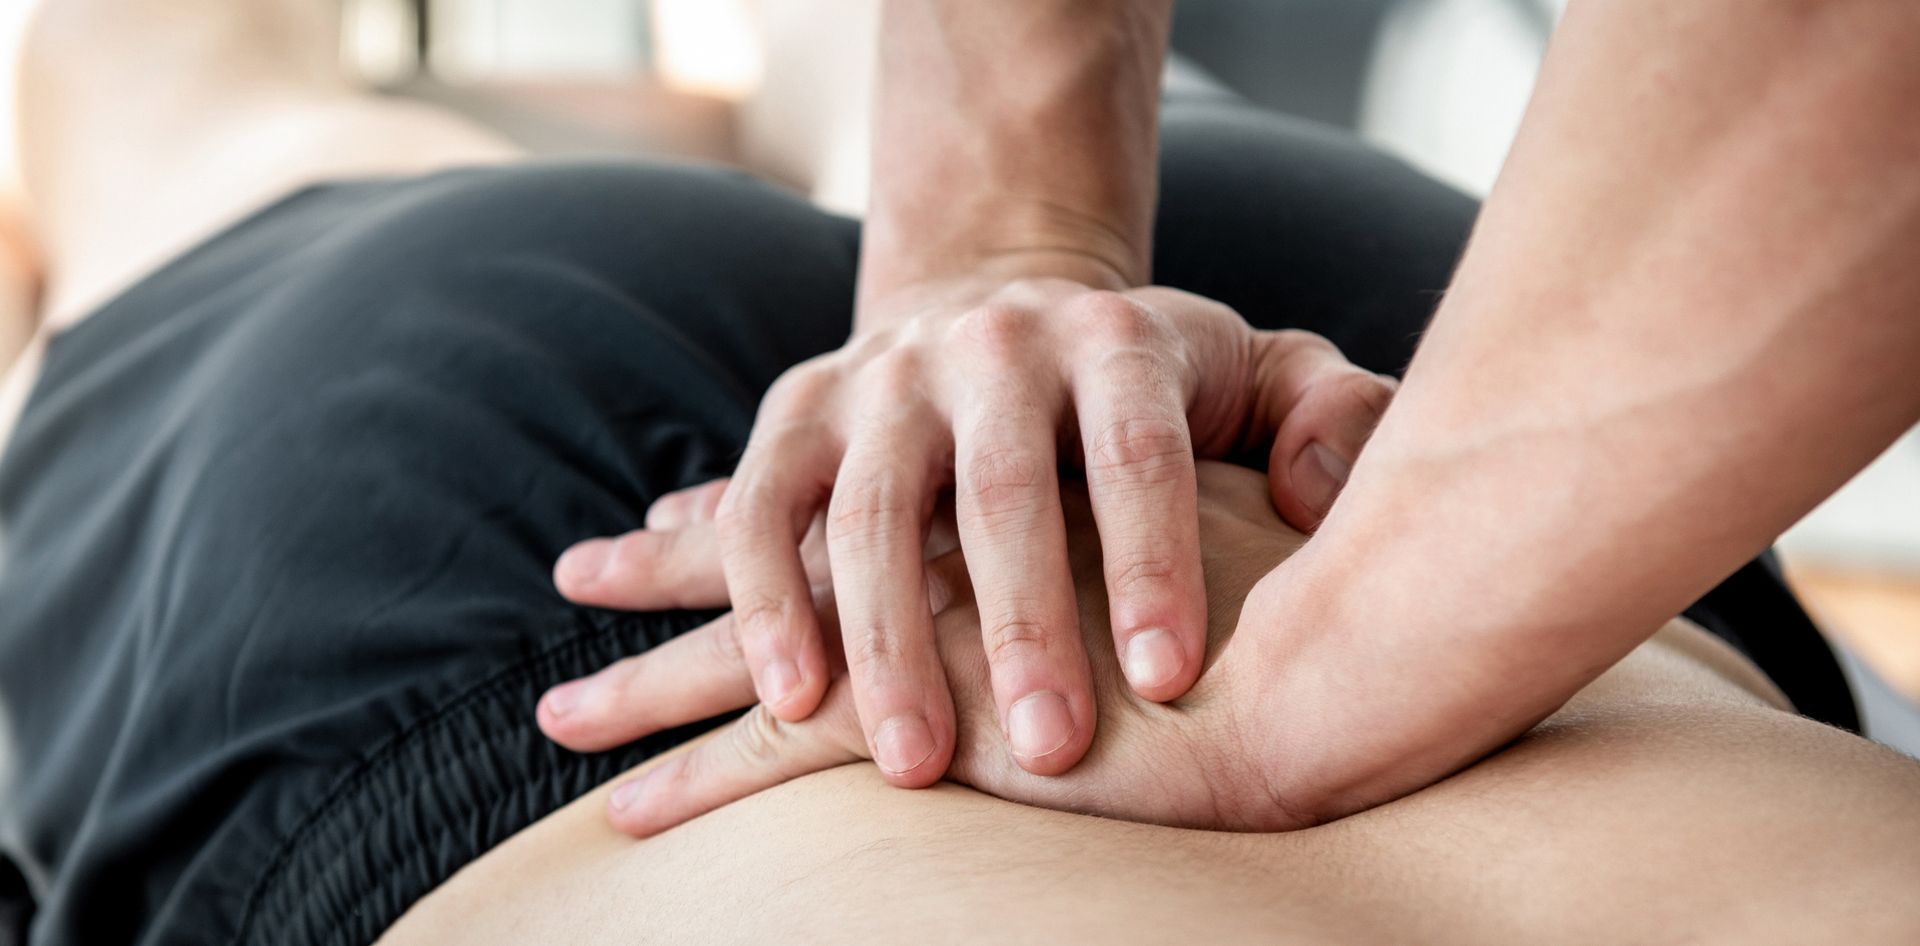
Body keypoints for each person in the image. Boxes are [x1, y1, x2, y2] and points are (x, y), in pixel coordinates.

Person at [0, 2, 1915, 945]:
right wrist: (1009, 263)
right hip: (1480, 488)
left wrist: (1013, 249)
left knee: (195, 101)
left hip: (1483, 490)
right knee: (202, 107)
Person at [548, 0, 1920, 829]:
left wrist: (1359, 635)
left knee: (407, 118)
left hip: (1492, 409)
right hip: (1496, 411)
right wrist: (1010, 259)